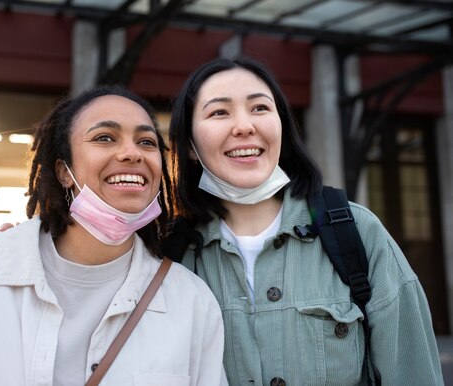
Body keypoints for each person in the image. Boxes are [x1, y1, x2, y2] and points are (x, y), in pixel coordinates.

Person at [0, 86, 227, 386]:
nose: (132, 153)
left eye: (147, 141)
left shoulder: (191, 302)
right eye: (104, 137)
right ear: (64, 172)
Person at [165, 56, 444, 385]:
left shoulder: (357, 231)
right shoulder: (173, 257)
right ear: (190, 146)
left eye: (259, 108)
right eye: (219, 112)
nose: (244, 126)